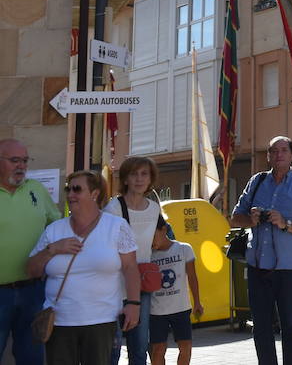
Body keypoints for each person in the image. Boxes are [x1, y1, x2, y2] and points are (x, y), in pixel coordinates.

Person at [27, 170, 140, 365]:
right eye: (68, 189)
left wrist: (133, 304)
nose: (70, 194)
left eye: (77, 189)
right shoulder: (54, 229)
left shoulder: (116, 226)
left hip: (101, 321)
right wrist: (53, 249)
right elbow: (31, 270)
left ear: (95, 194)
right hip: (59, 322)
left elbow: (130, 268)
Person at [228, 136, 292, 365]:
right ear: (268, 155)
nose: (278, 155)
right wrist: (251, 220)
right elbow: (234, 218)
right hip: (258, 265)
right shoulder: (257, 182)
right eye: (273, 151)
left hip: (288, 268)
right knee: (260, 326)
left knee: (290, 324)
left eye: (283, 150)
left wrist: (286, 223)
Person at [0, 139, 61, 365]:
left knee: (32, 357)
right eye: (14, 160)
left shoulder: (36, 189)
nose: (21, 166)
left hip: (33, 291)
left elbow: (57, 227)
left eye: (25, 161)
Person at [105, 155, 163, 365]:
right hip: (114, 284)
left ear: (150, 179)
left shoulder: (155, 208)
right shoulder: (114, 208)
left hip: (142, 283)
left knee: (139, 346)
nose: (139, 179)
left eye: (144, 174)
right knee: (112, 348)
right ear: (126, 179)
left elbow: (160, 238)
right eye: (134, 174)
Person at [147, 217, 201, 365]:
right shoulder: (147, 255)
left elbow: (192, 277)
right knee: (158, 349)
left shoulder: (184, 249)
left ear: (163, 230)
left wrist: (197, 302)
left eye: (153, 235)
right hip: (156, 311)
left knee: (185, 348)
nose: (151, 241)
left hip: (181, 309)